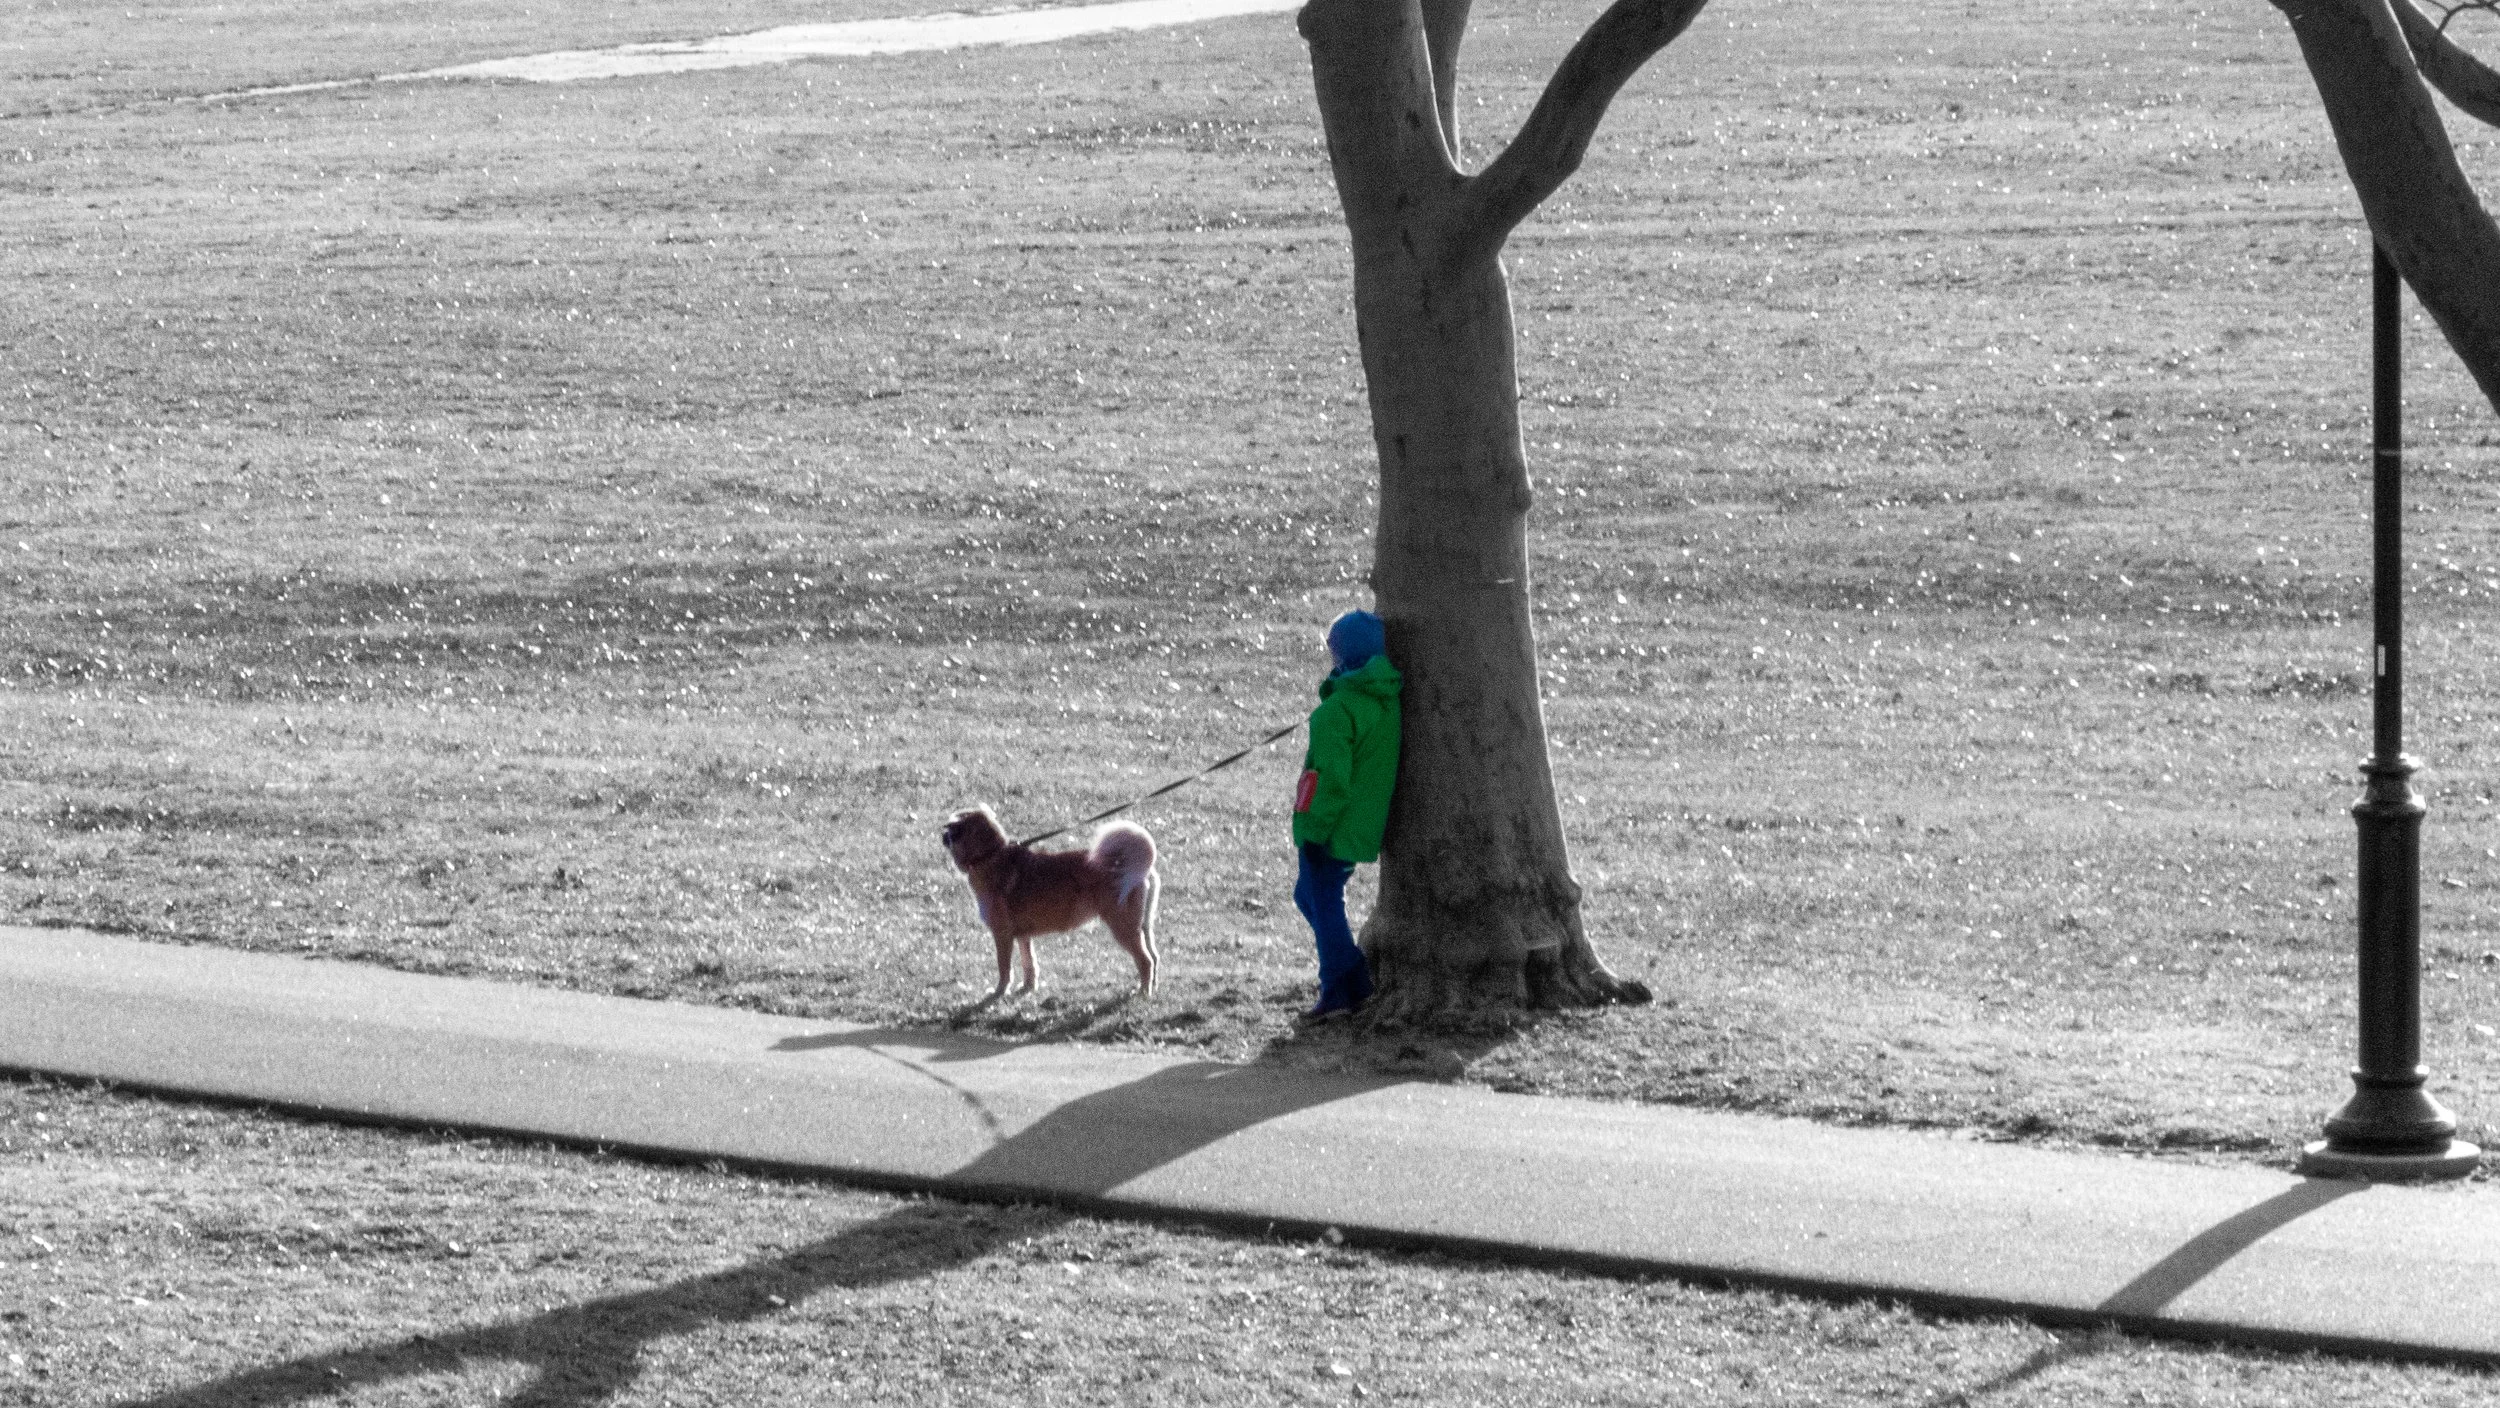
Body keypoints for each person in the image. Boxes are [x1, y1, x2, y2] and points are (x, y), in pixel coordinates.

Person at [1291, 608, 1402, 1021]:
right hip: (1363, 821)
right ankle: (1352, 975)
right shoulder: (1386, 699)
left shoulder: (1335, 712)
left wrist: (1315, 831)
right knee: (1310, 896)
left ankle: (1342, 985)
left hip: (1331, 825)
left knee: (1322, 899)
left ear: (1340, 657)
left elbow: (1331, 780)